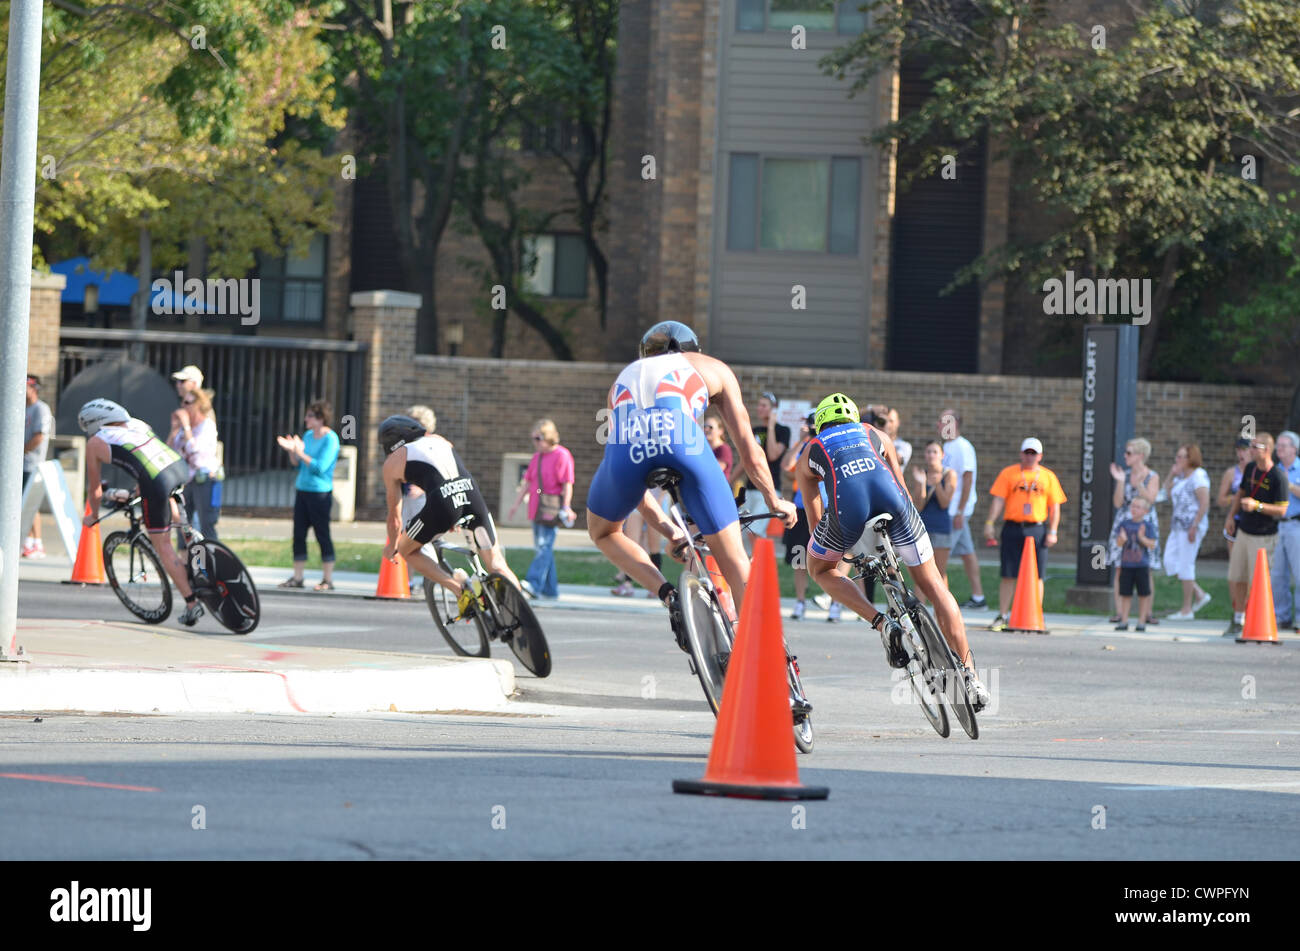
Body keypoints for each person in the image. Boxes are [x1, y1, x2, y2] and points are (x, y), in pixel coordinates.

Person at [586, 321, 797, 648]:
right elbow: (749, 449)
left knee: (603, 531)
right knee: (735, 560)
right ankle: (762, 655)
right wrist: (774, 500)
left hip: (629, 453)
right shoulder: (712, 367)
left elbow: (634, 484)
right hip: (684, 445)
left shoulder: (623, 377)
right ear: (690, 350)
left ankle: (670, 597)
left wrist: (670, 532)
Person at [793, 393, 990, 707]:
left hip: (849, 511)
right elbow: (901, 485)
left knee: (820, 569)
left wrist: (837, 551)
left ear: (820, 424)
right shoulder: (876, 433)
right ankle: (972, 677)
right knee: (935, 586)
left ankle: (883, 623)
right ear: (855, 418)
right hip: (895, 504)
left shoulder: (809, 451)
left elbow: (815, 518)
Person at [379, 415, 522, 617]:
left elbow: (395, 517)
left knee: (406, 549)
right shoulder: (440, 440)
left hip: (443, 503)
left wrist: (391, 545)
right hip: (472, 496)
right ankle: (524, 616)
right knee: (497, 563)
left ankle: (460, 590)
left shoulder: (392, 462)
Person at [77, 399, 203, 625]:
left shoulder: (96, 442)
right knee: (170, 505)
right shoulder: (138, 424)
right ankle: (195, 542)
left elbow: (94, 489)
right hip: (177, 466)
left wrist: (93, 515)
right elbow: (146, 456)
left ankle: (192, 604)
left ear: (94, 423)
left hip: (156, 480)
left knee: (162, 544)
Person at [985, 437, 1067, 631]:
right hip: (1013, 526)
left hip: (1037, 528)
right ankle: (1003, 614)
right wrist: (990, 522)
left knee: (1038, 574)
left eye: (1034, 453)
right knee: (1008, 573)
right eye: (1027, 453)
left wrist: (1053, 531)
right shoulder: (1009, 473)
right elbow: (998, 500)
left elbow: (1055, 507)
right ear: (1021, 454)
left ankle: (1035, 614)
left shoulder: (1048, 477)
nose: (1030, 456)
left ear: (1040, 456)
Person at [1223, 433, 1289, 637]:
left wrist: (1257, 506)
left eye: (1254, 447)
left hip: (1264, 536)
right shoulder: (1251, 468)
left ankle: (1256, 621)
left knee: (1257, 582)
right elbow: (1240, 494)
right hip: (1244, 531)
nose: (1250, 451)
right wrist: (1231, 517)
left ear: (1266, 450)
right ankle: (1237, 619)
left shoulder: (1278, 476)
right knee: (1236, 577)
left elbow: (1282, 510)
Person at [781, 413, 842, 622]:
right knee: (800, 556)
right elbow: (786, 466)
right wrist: (801, 440)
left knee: (836, 556)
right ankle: (800, 601)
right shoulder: (805, 449)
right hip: (803, 507)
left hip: (830, 507)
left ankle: (834, 603)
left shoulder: (830, 446)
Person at [507, 419, 576, 600]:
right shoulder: (537, 457)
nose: (535, 442)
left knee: (544, 547)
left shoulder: (562, 455)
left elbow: (567, 484)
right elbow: (528, 483)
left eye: (538, 438)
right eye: (533, 439)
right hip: (536, 507)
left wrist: (567, 506)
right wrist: (515, 505)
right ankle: (550, 590)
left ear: (549, 437)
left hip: (551, 508)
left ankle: (534, 583)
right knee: (544, 548)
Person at [276, 400, 340, 591]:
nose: (306, 419)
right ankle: (297, 577)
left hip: (320, 493)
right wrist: (292, 452)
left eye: (310, 416)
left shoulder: (331, 439)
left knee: (322, 535)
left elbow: (320, 467)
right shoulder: (308, 435)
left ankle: (327, 579)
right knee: (299, 534)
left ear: (321, 418)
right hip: (302, 490)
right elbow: (298, 463)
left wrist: (299, 452)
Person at [1106, 438, 1161, 624]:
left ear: (1140, 456)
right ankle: (1121, 613)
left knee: (1145, 569)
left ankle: (1147, 614)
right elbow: (1117, 503)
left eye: (1129, 453)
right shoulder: (1125, 474)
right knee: (1120, 567)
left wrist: (1139, 484)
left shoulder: (1152, 476)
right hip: (1124, 522)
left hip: (1145, 522)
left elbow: (1151, 499)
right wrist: (1121, 482)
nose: (1125, 456)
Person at [939, 408, 986, 608]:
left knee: (939, 556)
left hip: (955, 511)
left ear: (955, 423)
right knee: (967, 553)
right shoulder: (947, 446)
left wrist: (960, 510)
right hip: (951, 509)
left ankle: (942, 601)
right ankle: (979, 597)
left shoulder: (963, 447)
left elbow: (968, 479)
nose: (939, 425)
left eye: (943, 421)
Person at [1161, 444, 1212, 620]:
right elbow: (1164, 493)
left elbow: (1204, 503)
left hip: (1191, 526)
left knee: (1186, 565)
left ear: (1191, 458)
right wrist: (1171, 474)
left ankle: (1186, 609)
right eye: (1177, 456)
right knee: (1169, 562)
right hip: (1177, 527)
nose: (1178, 460)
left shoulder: (1199, 476)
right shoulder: (1181, 477)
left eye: (1181, 456)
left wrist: (1195, 525)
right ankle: (1199, 594)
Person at [168, 387, 220, 540]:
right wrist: (174, 429)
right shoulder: (184, 429)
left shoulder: (207, 426)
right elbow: (169, 450)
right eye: (182, 402)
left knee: (206, 526)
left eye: (187, 402)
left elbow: (195, 452)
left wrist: (186, 426)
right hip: (186, 481)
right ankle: (187, 562)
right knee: (183, 528)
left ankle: (209, 561)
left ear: (198, 405)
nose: (183, 406)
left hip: (204, 480)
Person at [909, 439, 956, 584]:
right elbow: (920, 505)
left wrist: (937, 484)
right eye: (928, 452)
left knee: (939, 573)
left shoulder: (949, 474)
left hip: (941, 528)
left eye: (935, 452)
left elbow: (944, 503)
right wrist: (922, 483)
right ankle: (921, 606)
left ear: (942, 455)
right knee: (922, 575)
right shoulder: (921, 474)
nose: (931, 455)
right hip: (922, 528)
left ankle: (941, 607)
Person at [21, 374, 53, 559]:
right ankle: (29, 541)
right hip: (23, 464)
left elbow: (39, 436)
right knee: (23, 503)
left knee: (30, 504)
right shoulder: (24, 408)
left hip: (31, 464)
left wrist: (21, 452)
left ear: (33, 388)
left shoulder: (41, 409)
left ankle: (37, 543)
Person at [1114, 497, 1158, 631]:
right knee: (1125, 593)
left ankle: (1141, 621)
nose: (1134, 509)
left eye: (1138, 507)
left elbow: (1152, 545)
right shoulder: (1124, 524)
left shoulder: (1148, 526)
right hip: (1126, 564)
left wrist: (1141, 538)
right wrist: (1122, 539)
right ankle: (1124, 620)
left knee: (1143, 594)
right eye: (1132, 506)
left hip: (1142, 565)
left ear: (1145, 511)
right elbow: (1118, 543)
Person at [1272, 431, 1300, 634]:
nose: (1279, 449)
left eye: (1283, 445)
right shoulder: (1275, 469)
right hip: (1277, 525)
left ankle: (1299, 618)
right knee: (1277, 574)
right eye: (1278, 445)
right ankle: (1281, 617)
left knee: (1299, 574)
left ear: (1294, 448)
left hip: (1296, 525)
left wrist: (1287, 484)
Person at [1217, 438, 1253, 558]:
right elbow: (1221, 500)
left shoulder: (1257, 471)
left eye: (1244, 450)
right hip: (1236, 519)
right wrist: (1235, 498)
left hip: (1254, 520)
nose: (1241, 453)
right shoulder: (1231, 473)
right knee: (1235, 562)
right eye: (1238, 450)